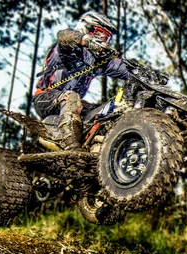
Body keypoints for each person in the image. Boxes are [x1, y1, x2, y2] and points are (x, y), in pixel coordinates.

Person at [33, 11, 129, 151]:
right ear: (86, 27)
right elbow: (63, 35)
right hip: (45, 98)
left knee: (105, 113)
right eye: (99, 34)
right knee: (71, 96)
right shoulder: (66, 48)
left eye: (106, 38)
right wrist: (85, 40)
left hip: (75, 105)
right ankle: (71, 147)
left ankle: (100, 148)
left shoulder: (97, 59)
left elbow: (123, 67)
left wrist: (144, 73)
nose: (102, 40)